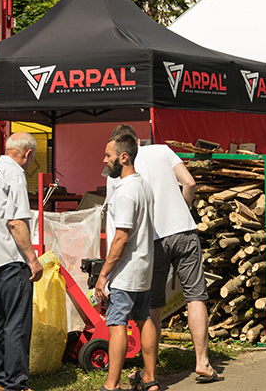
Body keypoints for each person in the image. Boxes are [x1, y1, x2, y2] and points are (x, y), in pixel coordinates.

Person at [107, 124, 224, 383]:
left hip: (153, 239)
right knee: (195, 296)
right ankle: (203, 362)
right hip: (184, 231)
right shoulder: (162, 150)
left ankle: (151, 371)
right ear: (138, 140)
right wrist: (184, 207)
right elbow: (189, 182)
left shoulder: (117, 172)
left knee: (153, 305)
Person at [0, 132, 43, 391]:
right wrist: (33, 260)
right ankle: (16, 384)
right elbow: (16, 221)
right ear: (27, 154)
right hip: (11, 260)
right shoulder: (15, 174)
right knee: (17, 322)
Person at [95, 134, 159, 391]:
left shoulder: (125, 191)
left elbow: (121, 237)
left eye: (108, 155)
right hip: (144, 266)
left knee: (116, 323)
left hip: (125, 271)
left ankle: (112, 385)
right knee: (144, 319)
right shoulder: (144, 186)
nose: (104, 160)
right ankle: (150, 379)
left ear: (124, 157)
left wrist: (103, 274)